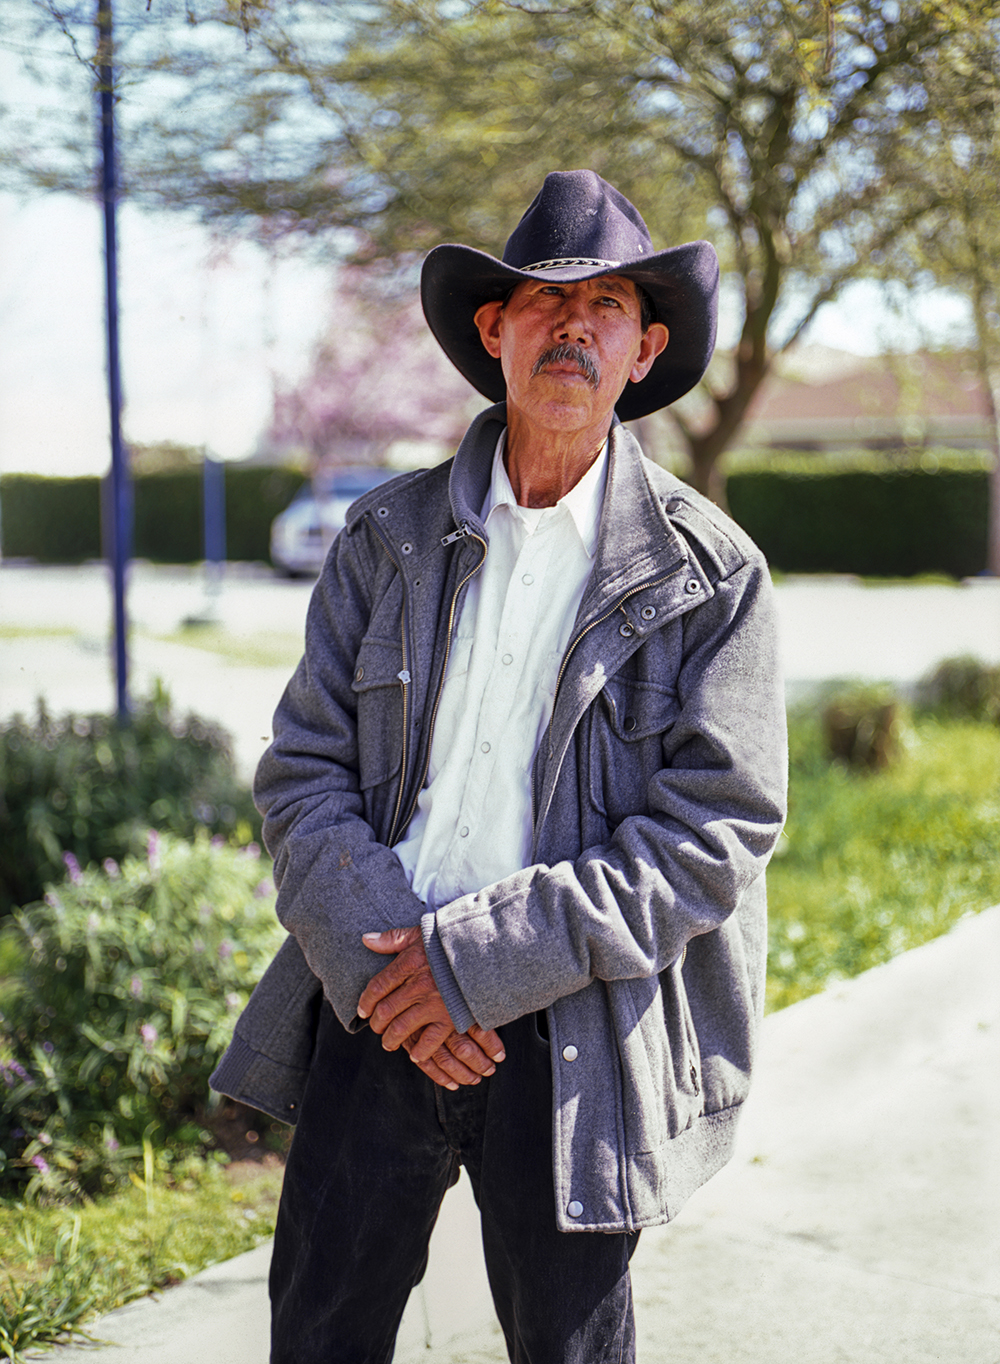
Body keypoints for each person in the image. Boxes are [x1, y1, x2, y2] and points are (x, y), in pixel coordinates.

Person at [211, 169, 788, 1364]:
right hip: (373, 1001)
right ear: (493, 330)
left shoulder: (713, 574)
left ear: (644, 349)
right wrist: (399, 969)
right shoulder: (383, 537)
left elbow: (715, 828)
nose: (572, 322)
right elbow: (301, 769)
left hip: (568, 1031)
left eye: (609, 304)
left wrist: (472, 966)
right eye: (542, 299)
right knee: (316, 1334)